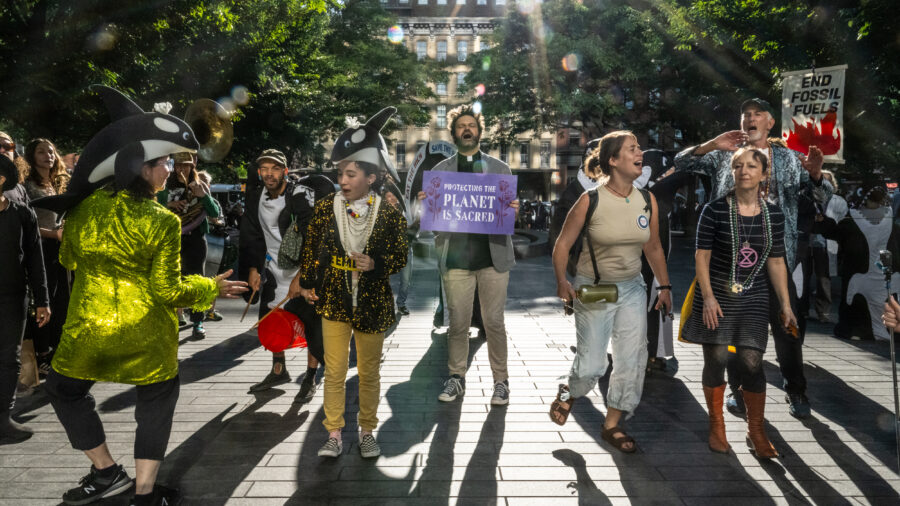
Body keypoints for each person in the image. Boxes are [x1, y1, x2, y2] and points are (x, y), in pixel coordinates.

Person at [32, 86, 247, 506]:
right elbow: (168, 289)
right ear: (141, 168)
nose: (169, 169)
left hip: (88, 331)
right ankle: (146, 493)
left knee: (64, 390)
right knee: (156, 399)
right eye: (164, 162)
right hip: (146, 336)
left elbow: (70, 257)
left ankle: (106, 471)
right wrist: (211, 287)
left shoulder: (81, 210)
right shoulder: (161, 220)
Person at [674, 97, 830, 419]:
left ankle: (795, 388)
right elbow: (682, 162)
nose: (750, 118)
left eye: (758, 114)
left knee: (787, 325)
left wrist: (816, 176)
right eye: (745, 114)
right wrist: (711, 143)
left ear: (770, 123)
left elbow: (824, 197)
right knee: (732, 330)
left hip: (776, 257)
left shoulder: (788, 159)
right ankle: (737, 391)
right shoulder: (724, 156)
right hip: (730, 262)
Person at [548, 131, 672, 453]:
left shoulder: (647, 201)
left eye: (639, 146)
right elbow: (562, 245)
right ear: (613, 160)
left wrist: (665, 286)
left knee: (632, 360)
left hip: (632, 288)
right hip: (595, 289)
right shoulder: (590, 200)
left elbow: (654, 247)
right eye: (632, 148)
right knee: (591, 366)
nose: (640, 152)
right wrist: (562, 281)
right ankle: (570, 390)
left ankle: (613, 423)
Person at [296, 107, 408, 458]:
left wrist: (376, 263)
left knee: (370, 372)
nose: (343, 180)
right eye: (341, 173)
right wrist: (308, 280)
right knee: (334, 370)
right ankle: (333, 434)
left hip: (373, 301)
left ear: (371, 178)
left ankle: (367, 432)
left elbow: (401, 257)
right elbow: (312, 246)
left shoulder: (389, 211)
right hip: (333, 299)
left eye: (352, 174)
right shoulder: (326, 207)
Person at [682, 147, 796, 458]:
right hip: (717, 292)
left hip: (755, 295)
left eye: (751, 166)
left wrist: (785, 304)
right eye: (738, 166)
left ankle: (756, 430)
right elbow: (701, 257)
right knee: (716, 360)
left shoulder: (773, 214)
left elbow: (776, 261)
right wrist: (706, 297)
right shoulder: (715, 209)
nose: (744, 171)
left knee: (752, 362)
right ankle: (716, 426)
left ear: (764, 174)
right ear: (732, 172)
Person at [419, 105, 519, 406]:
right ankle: (456, 377)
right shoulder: (439, 173)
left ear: (479, 131)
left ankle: (501, 382)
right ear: (453, 133)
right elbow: (433, 224)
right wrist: (429, 207)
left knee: (494, 322)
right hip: (456, 261)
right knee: (459, 323)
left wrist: (514, 209)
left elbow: (508, 215)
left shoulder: (500, 170)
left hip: (494, 259)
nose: (466, 129)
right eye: (461, 125)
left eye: (471, 125)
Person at [239, 149, 334, 402]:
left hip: (303, 269)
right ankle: (278, 370)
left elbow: (315, 236)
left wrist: (302, 277)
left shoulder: (299, 195)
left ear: (285, 171)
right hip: (272, 267)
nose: (269, 174)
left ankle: (310, 378)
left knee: (312, 324)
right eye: (265, 169)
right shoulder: (256, 196)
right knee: (272, 320)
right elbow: (252, 233)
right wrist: (253, 268)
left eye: (275, 168)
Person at [0, 154, 50, 442]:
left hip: (12, 297)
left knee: (9, 359)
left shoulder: (22, 214)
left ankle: (3, 419)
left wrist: (42, 300)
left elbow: (35, 259)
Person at [819, 181, 899, 341]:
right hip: (887, 277)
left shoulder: (852, 220)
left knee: (856, 303)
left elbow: (832, 232)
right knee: (887, 303)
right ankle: (888, 332)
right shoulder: (892, 222)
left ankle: (857, 330)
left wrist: (822, 220)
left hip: (860, 275)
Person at [157, 152, 221, 339]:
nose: (181, 169)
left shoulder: (200, 184)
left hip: (195, 237)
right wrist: (169, 204)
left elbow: (214, 212)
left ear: (192, 166)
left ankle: (198, 321)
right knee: (172, 278)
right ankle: (175, 317)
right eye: (178, 165)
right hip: (172, 237)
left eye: (185, 165)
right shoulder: (165, 184)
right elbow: (155, 206)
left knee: (197, 280)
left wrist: (203, 196)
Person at [23, 138, 71, 375]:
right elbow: (27, 225)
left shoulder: (61, 182)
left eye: (51, 152)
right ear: (32, 156)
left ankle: (59, 350)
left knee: (63, 298)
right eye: (41, 152)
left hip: (61, 248)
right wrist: (53, 234)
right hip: (40, 247)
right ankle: (43, 354)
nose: (48, 156)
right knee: (44, 300)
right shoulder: (26, 185)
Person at [807, 170, 847, 323]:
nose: (825, 184)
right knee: (802, 277)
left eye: (828, 181)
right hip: (809, 241)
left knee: (823, 279)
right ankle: (802, 308)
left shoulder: (839, 201)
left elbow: (842, 222)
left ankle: (823, 312)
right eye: (822, 180)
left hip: (826, 244)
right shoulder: (809, 199)